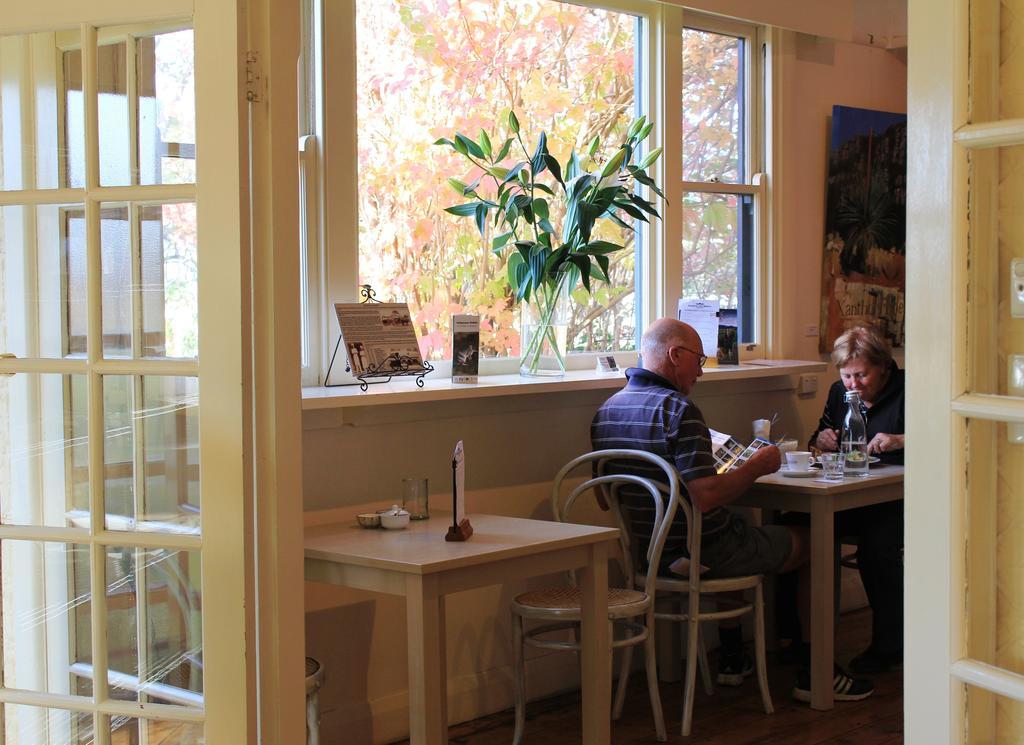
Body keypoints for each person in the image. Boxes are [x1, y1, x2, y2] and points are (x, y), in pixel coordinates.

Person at [591, 318, 873, 702]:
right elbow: (706, 497)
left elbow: (604, 497)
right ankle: (817, 670)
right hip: (704, 553)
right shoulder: (679, 410)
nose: (701, 372)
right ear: (675, 355)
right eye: (698, 360)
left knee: (732, 521)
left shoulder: (607, 411)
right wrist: (756, 465)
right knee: (818, 540)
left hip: (650, 556)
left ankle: (733, 656)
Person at [808, 324, 904, 674]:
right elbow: (815, 440)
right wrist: (823, 438)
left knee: (877, 546)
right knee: (795, 525)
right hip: (852, 493)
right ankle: (798, 640)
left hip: (900, 498)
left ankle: (890, 645)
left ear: (884, 367)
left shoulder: (909, 388)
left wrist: (900, 440)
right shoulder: (839, 393)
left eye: (861, 375)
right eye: (847, 375)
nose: (854, 384)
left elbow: (943, 434)